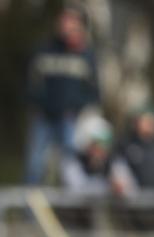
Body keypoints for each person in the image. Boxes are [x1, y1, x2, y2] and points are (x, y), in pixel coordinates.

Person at [24, 4, 100, 184]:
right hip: (44, 118)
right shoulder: (43, 50)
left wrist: (75, 109)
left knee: (70, 166)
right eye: (64, 20)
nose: (66, 25)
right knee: (35, 164)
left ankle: (69, 210)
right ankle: (30, 210)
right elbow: (29, 83)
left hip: (70, 120)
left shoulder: (87, 56)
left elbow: (94, 91)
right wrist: (38, 104)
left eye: (71, 21)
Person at [113, 105, 154, 194]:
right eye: (144, 120)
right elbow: (118, 167)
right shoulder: (126, 145)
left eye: (151, 120)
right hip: (133, 201)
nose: (148, 124)